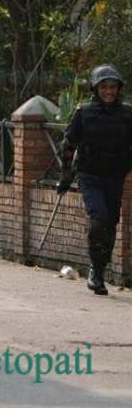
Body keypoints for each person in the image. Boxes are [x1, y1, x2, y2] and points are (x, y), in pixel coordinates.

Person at [58, 64, 132, 296]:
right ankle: (95, 271)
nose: (109, 92)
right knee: (99, 218)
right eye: (104, 87)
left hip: (116, 175)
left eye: (112, 87)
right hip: (90, 175)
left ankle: (99, 269)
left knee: (110, 224)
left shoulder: (128, 114)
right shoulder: (84, 113)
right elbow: (68, 145)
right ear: (96, 89)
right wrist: (66, 175)